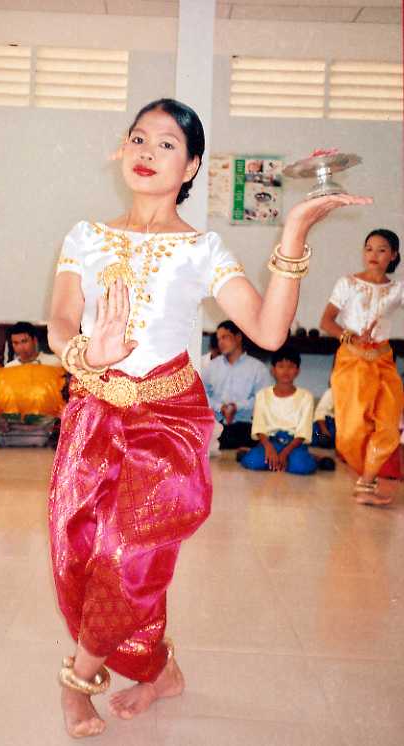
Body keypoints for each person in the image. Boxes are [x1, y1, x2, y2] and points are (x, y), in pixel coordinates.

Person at [47, 97, 370, 738]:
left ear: (192, 165)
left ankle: (79, 679)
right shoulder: (85, 236)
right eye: (139, 138)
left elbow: (270, 330)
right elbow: (59, 318)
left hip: (168, 421)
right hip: (92, 411)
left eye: (166, 144)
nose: (146, 152)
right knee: (81, 556)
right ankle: (159, 670)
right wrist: (87, 349)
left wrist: (294, 235)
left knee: (126, 552)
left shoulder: (202, 249)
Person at [320, 228, 403, 505]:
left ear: (393, 255)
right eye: (369, 248)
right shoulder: (347, 283)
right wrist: (351, 337)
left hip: (384, 360)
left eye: (381, 250)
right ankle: (364, 476)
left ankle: (366, 483)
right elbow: (327, 321)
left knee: (389, 425)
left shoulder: (398, 288)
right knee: (351, 430)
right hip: (352, 361)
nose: (373, 255)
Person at [0, 321, 62, 442]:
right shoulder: (9, 368)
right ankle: (5, 436)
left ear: (34, 340)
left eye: (24, 341)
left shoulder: (54, 363)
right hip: (10, 417)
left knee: (42, 436)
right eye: (15, 343)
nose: (20, 347)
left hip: (42, 418)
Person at [240, 347, 317, 474]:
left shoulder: (306, 397)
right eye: (281, 366)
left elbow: (303, 431)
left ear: (297, 371)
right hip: (270, 442)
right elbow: (259, 427)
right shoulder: (262, 395)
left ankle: (313, 459)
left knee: (301, 466)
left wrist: (285, 453)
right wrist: (269, 448)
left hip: (294, 445)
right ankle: (257, 455)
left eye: (291, 366)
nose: (286, 371)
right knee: (253, 462)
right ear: (273, 371)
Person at [202, 320, 271, 451]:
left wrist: (236, 406)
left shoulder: (258, 368)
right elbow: (202, 394)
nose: (220, 342)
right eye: (218, 339)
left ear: (238, 337)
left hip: (245, 426)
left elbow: (263, 399)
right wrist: (220, 407)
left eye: (225, 337)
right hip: (217, 425)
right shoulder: (211, 367)